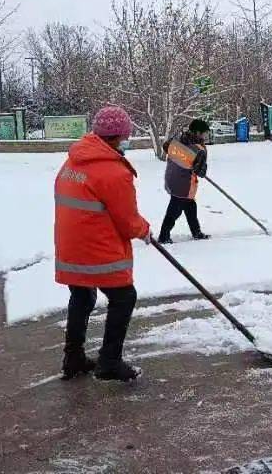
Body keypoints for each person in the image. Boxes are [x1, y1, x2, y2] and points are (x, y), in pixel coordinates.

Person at [54, 106, 151, 382]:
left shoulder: (74, 161)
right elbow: (128, 220)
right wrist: (144, 230)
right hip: (95, 248)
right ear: (118, 137)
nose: (126, 140)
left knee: (82, 295)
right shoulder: (112, 171)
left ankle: (73, 358)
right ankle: (109, 362)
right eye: (125, 136)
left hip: (71, 246)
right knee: (124, 297)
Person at [157, 119, 211, 244]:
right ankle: (163, 236)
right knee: (174, 210)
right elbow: (201, 172)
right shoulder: (199, 149)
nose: (206, 136)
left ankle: (196, 232)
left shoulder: (178, 140)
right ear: (197, 133)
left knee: (190, 206)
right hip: (185, 184)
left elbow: (166, 146)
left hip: (171, 179)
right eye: (204, 133)